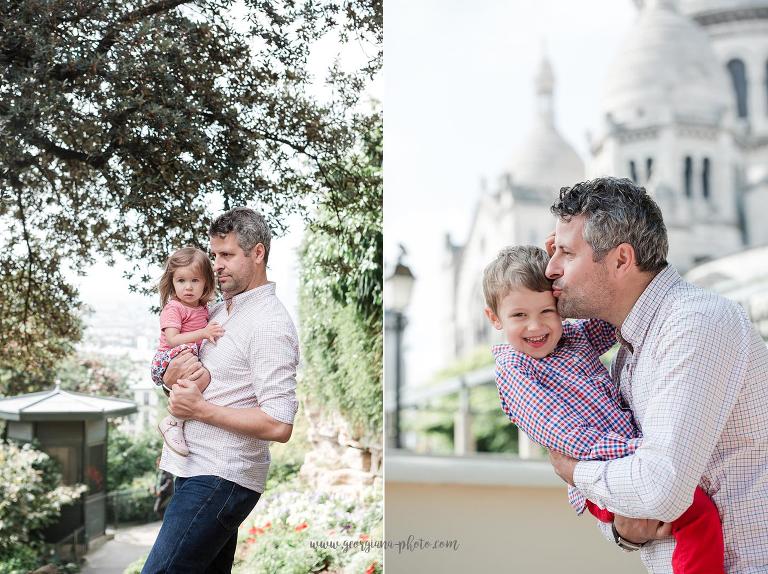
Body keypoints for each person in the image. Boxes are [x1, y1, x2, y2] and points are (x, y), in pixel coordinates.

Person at [544, 177, 768, 573]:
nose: (550, 269)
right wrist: (626, 532)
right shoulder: (628, 351)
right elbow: (632, 510)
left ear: (620, 260)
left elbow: (659, 489)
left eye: (566, 252)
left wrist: (574, 471)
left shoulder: (695, 324)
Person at [483, 245, 723, 574]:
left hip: (630, 461)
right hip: (605, 472)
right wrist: (635, 451)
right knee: (698, 515)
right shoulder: (515, 369)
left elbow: (613, 313)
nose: (536, 326)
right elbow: (561, 434)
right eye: (519, 315)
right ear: (495, 318)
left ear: (560, 307)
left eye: (547, 311)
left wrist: (572, 260)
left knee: (686, 520)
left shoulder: (572, 338)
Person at [142, 207, 299, 574]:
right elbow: (180, 370)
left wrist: (200, 411)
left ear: (257, 253)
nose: (216, 265)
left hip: (221, 476)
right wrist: (169, 379)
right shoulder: (216, 313)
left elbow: (279, 424)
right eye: (214, 255)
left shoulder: (269, 325)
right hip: (193, 468)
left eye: (227, 255)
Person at [151, 247, 224, 456]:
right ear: (172, 283)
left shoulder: (203, 309)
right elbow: (172, 339)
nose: (188, 287)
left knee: (202, 378)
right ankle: (173, 421)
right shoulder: (174, 308)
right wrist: (204, 332)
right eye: (181, 281)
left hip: (185, 354)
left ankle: (177, 421)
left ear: (206, 283)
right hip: (168, 357)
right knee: (202, 377)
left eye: (195, 280)